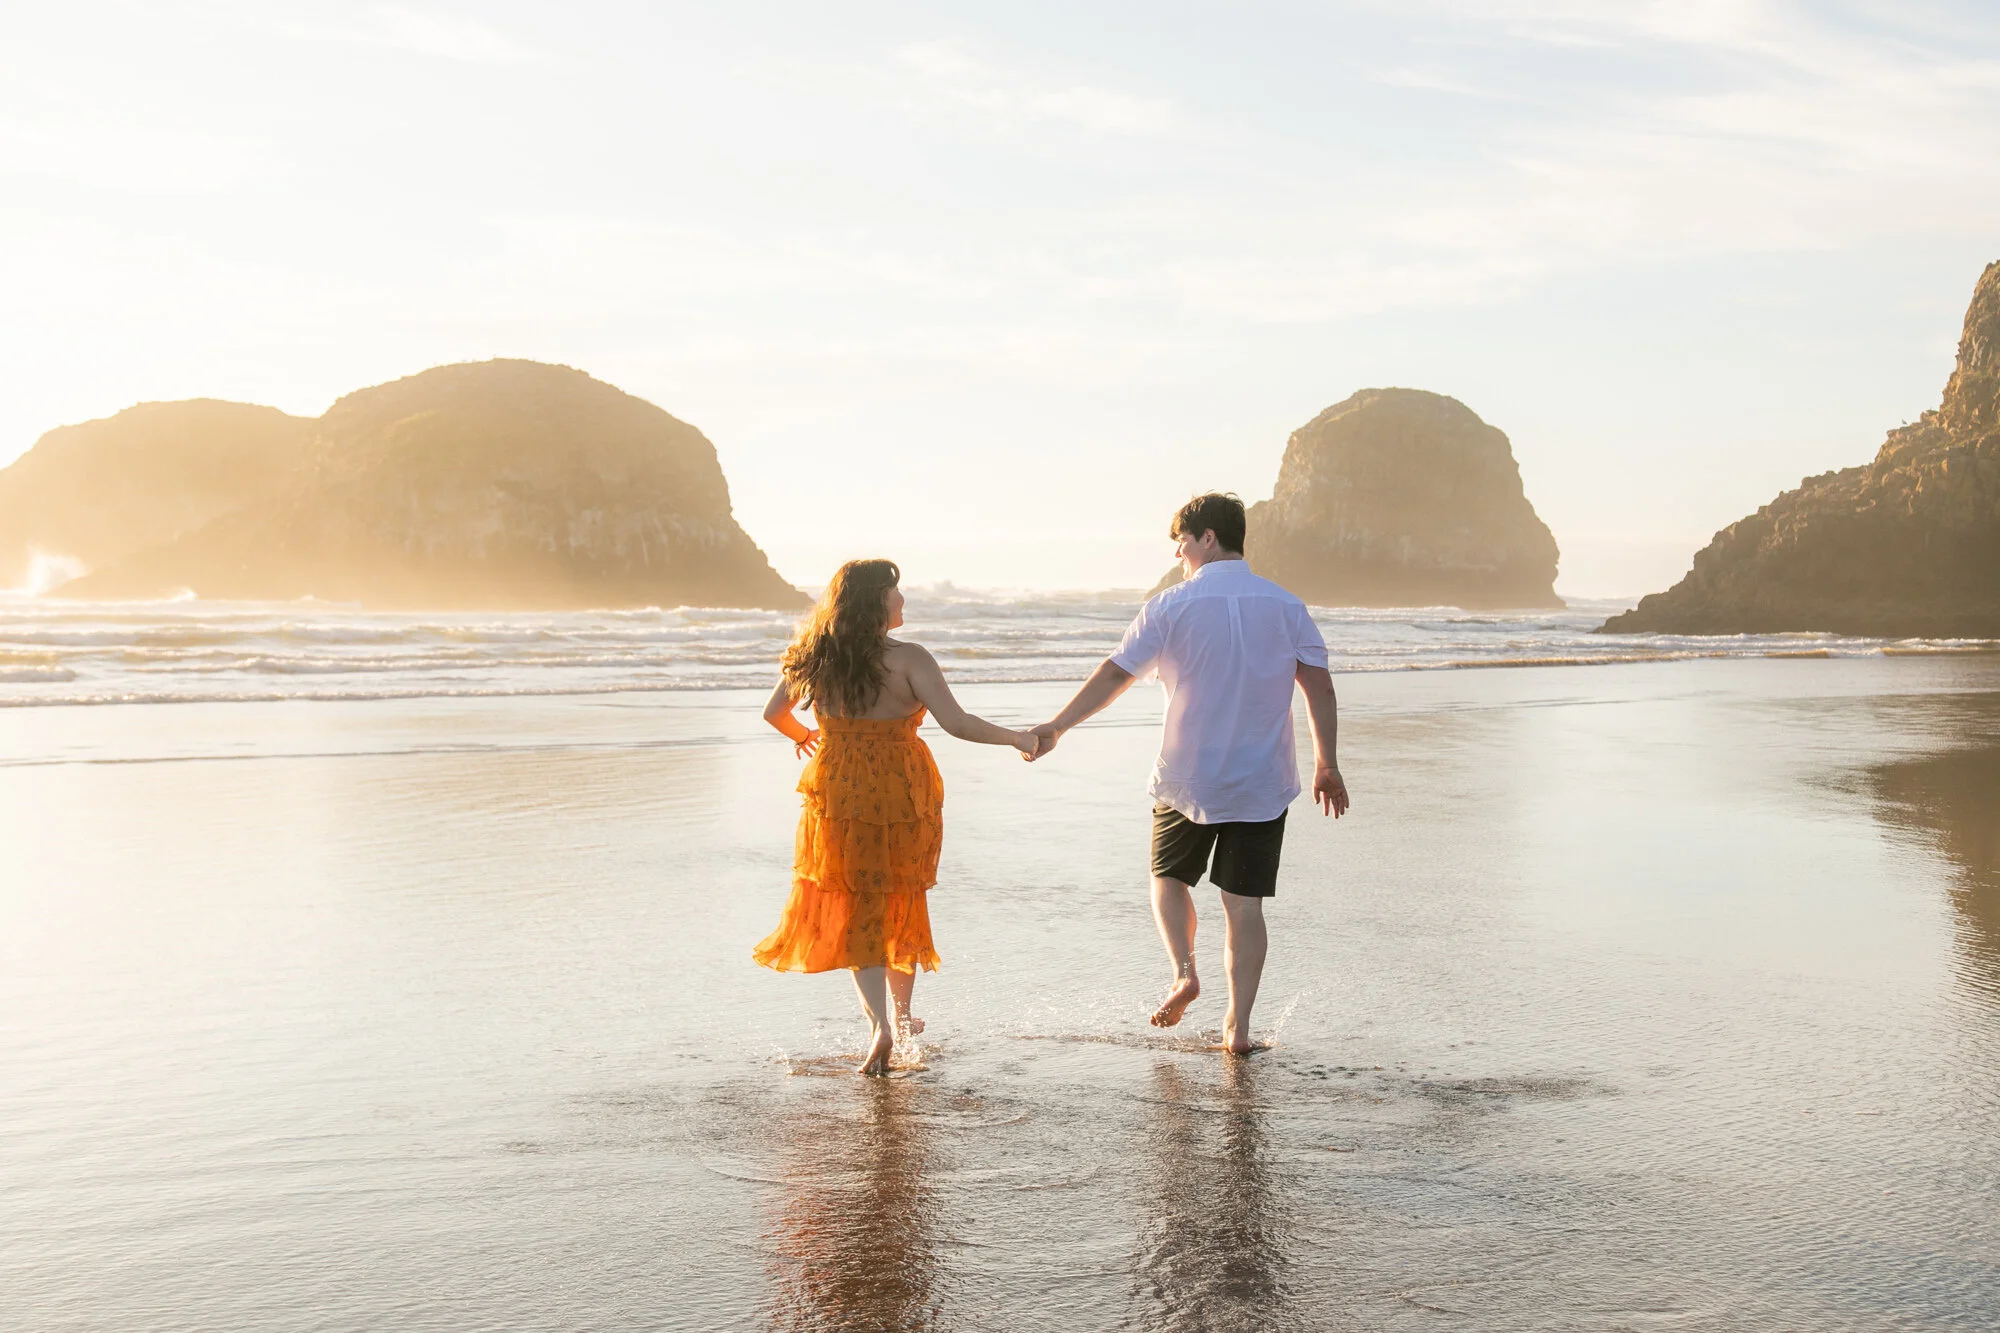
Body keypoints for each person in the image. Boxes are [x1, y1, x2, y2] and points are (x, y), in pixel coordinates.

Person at [1027, 494, 1349, 1054]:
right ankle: (1238, 1029)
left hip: (1187, 778)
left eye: (1181, 539)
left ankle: (1184, 972)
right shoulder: (1285, 605)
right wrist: (1327, 764)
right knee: (1243, 905)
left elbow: (1114, 675)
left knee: (1168, 879)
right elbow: (1318, 685)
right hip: (1261, 780)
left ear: (1206, 538)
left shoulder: (1170, 606)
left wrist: (1058, 726)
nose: (1177, 551)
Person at [755, 558, 1040, 1075]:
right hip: (903, 791)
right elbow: (956, 724)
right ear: (875, 602)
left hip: (838, 787)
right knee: (899, 897)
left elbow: (774, 712)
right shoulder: (910, 658)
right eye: (895, 593)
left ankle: (880, 1026)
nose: (902, 602)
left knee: (857, 900)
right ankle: (904, 1021)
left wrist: (806, 738)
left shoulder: (815, 655)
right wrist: (1017, 737)